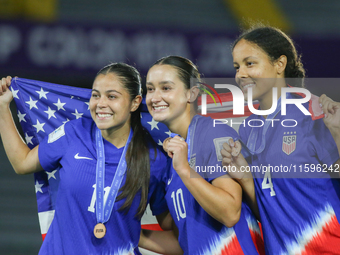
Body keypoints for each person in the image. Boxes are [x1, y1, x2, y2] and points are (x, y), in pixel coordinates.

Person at [0, 63, 170, 254]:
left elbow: (176, 231)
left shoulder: (155, 159)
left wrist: (132, 234)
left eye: (112, 96)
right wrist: (2, 106)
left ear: (135, 102)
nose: (101, 103)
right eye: (96, 95)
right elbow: (22, 163)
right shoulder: (73, 132)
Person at [221, 25, 340, 254]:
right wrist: (246, 179)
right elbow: (268, 207)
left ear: (279, 64)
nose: (240, 74)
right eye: (237, 67)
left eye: (250, 63)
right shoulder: (248, 129)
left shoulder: (314, 112)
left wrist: (337, 133)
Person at [139, 55, 264, 254]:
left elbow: (230, 212)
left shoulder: (213, 133)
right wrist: (132, 232)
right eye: (150, 88)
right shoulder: (175, 151)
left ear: (192, 93)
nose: (154, 97)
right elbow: (187, 240)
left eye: (166, 88)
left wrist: (184, 170)